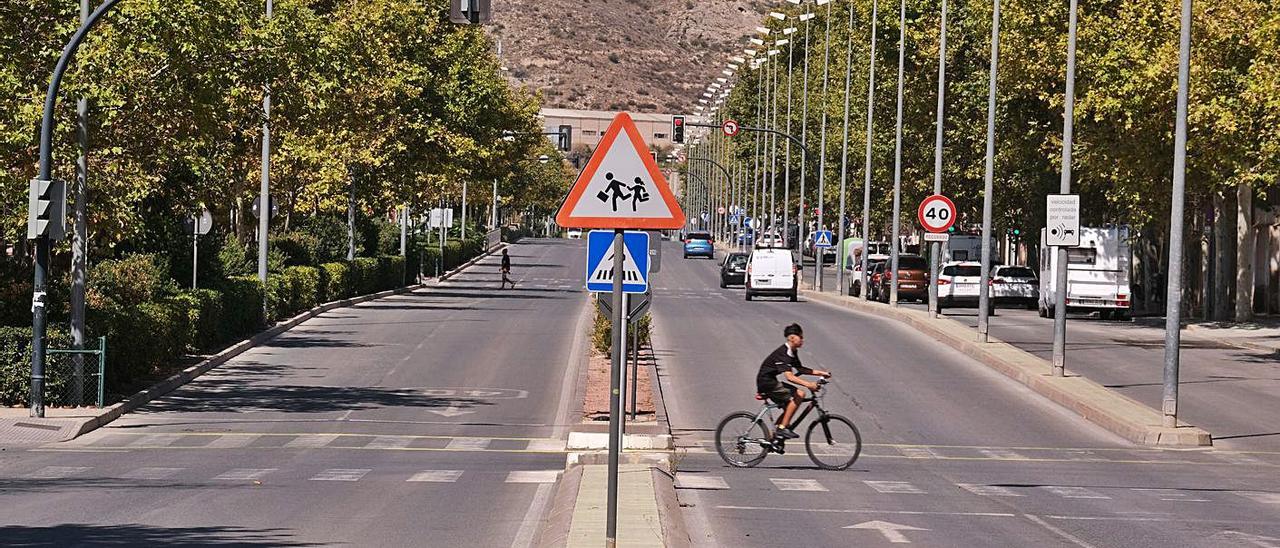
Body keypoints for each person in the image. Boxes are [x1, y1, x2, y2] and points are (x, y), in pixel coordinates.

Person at [756, 323, 830, 441]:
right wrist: (808, 384)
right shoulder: (784, 352)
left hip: (771, 381)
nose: (802, 340)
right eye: (800, 337)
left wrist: (821, 373)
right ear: (791, 338)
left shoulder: (793, 351)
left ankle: (772, 438)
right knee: (800, 394)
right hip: (766, 382)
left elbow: (800, 369)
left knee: (789, 407)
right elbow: (789, 377)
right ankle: (781, 429)